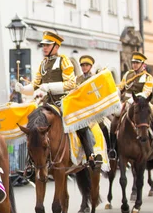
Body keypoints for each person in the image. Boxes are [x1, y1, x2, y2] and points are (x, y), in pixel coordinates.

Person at [15, 31, 100, 167]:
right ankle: (30, 162)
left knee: (81, 124)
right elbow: (35, 85)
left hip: (64, 101)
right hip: (48, 102)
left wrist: (49, 86)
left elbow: (71, 84)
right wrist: (23, 89)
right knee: (33, 124)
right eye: (43, 45)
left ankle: (90, 155)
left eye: (48, 45)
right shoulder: (43, 63)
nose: (45, 48)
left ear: (56, 46)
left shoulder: (64, 60)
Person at [117, 52, 153, 151]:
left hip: (142, 103)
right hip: (126, 102)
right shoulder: (128, 74)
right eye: (133, 62)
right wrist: (116, 93)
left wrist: (134, 100)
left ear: (142, 64)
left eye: (137, 63)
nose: (134, 65)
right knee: (115, 118)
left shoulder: (148, 77)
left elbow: (146, 92)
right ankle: (113, 147)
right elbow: (121, 87)